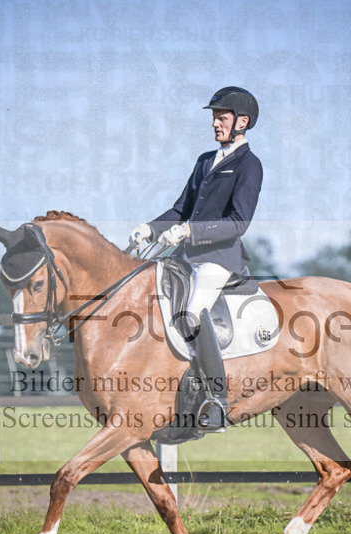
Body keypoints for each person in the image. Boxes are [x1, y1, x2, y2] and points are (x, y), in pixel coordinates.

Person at [130, 86, 263, 431]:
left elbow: (239, 222)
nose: (215, 124)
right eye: (214, 118)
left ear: (242, 122)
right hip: (186, 257)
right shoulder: (206, 160)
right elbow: (180, 209)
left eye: (221, 118)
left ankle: (217, 402)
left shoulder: (249, 165)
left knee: (190, 314)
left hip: (218, 259)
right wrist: (150, 228)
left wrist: (191, 232)